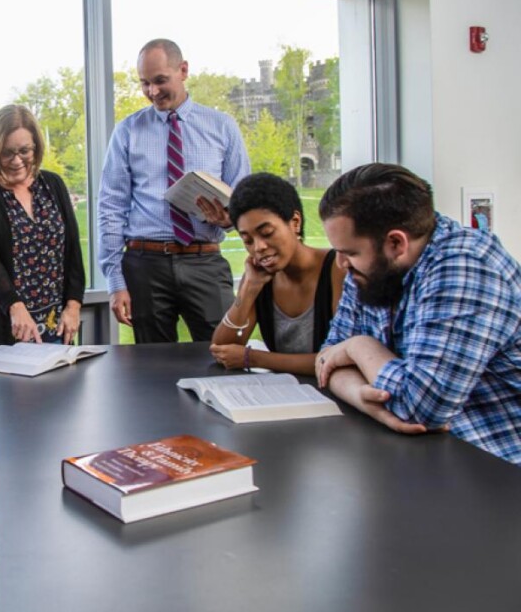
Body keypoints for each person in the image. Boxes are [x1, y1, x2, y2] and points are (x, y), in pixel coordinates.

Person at [315, 163, 521, 465]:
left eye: (350, 252)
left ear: (396, 242)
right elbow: (326, 360)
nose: (341, 264)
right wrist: (365, 399)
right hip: (426, 458)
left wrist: (360, 347)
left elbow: (421, 408)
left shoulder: (465, 266)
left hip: (499, 471)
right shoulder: (370, 269)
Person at [98, 38, 250, 343]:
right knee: (152, 371)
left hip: (205, 261)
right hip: (145, 265)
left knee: (222, 354)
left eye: (160, 81)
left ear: (183, 70)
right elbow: (111, 207)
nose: (152, 92)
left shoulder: (222, 127)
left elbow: (244, 200)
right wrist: (116, 282)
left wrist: (229, 219)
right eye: (144, 83)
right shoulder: (127, 131)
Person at [0, 104, 86, 396]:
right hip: (8, 328)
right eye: (8, 152)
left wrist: (73, 305)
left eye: (25, 151)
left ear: (36, 147)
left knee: (61, 414)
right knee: (14, 423)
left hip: (56, 326)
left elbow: (72, 251)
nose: (17, 160)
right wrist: (15, 308)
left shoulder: (53, 185)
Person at [209, 173, 346, 375]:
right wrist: (248, 290)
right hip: (284, 395)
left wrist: (254, 358)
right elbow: (222, 350)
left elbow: (339, 359)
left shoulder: (337, 268)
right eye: (247, 240)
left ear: (295, 222)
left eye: (266, 233)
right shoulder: (260, 277)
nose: (259, 247)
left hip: (336, 396)